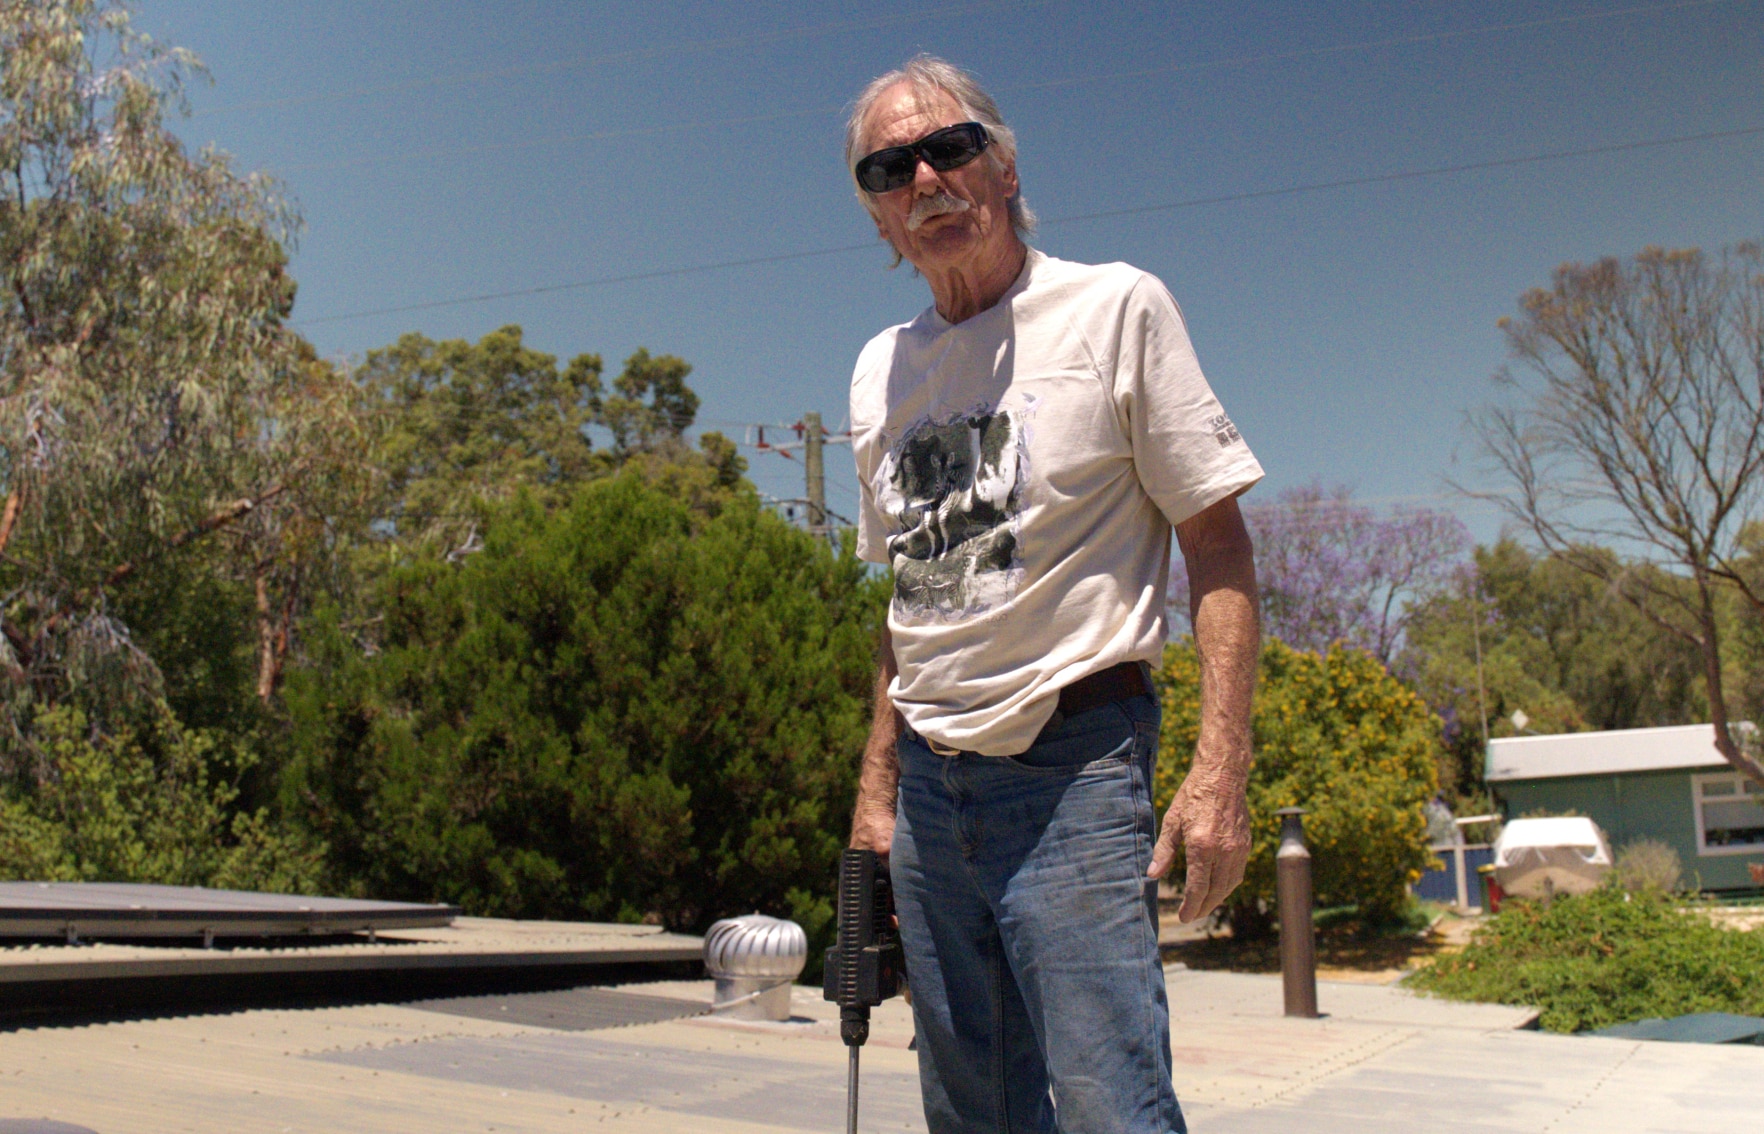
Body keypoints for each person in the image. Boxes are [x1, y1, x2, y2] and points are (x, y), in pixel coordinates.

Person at [842, 56, 1263, 1134]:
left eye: (951, 147)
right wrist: (876, 794)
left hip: (1074, 773)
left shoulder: (1114, 307)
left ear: (1006, 166)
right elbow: (908, 602)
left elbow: (1216, 543)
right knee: (969, 1113)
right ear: (878, 217)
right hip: (930, 792)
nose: (925, 180)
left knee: (1111, 1108)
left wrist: (1220, 771)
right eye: (889, 169)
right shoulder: (880, 371)